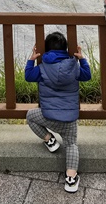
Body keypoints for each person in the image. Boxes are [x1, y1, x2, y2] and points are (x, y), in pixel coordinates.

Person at [24, 31, 91, 193]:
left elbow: (28, 76)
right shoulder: (74, 67)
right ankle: (71, 178)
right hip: (70, 119)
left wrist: (31, 60)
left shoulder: (42, 68)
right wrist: (82, 59)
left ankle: (50, 140)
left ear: (46, 50)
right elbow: (87, 75)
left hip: (48, 116)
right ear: (66, 50)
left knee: (30, 117)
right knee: (71, 145)